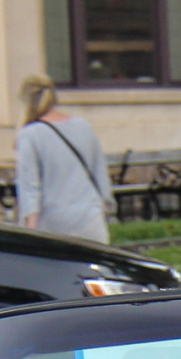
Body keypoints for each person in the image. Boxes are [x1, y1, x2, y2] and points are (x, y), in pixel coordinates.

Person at [14, 74, 112, 244]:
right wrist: (106, 205)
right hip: (90, 216)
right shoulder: (83, 126)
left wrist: (30, 227)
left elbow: (30, 186)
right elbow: (99, 169)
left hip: (54, 220)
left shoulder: (30, 134)